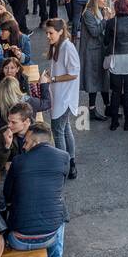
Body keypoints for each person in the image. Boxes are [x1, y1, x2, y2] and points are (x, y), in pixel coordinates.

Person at [4, 121, 71, 257]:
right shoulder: (64, 157)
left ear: (35, 142)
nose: (24, 147)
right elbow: (60, 186)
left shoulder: (18, 162)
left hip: (18, 239)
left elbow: (7, 195)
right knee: (59, 206)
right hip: (51, 236)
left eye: (26, 142)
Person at [44, 19, 81, 178]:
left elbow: (73, 73)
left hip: (64, 97)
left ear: (60, 31)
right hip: (60, 95)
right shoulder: (58, 46)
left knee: (58, 131)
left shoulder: (67, 47)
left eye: (50, 33)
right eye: (47, 32)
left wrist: (52, 79)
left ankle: (64, 167)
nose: (47, 36)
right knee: (65, 129)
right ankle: (70, 165)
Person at [101, 0, 128, 131]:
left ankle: (114, 122)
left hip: (116, 59)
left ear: (116, 8)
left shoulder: (111, 22)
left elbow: (106, 41)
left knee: (116, 91)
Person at [78, 0, 111, 121]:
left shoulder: (102, 10)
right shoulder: (88, 13)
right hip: (91, 52)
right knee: (93, 80)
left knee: (103, 78)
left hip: (101, 49)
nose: (105, 0)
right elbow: (95, 32)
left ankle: (108, 107)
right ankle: (92, 110)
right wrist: (106, 19)